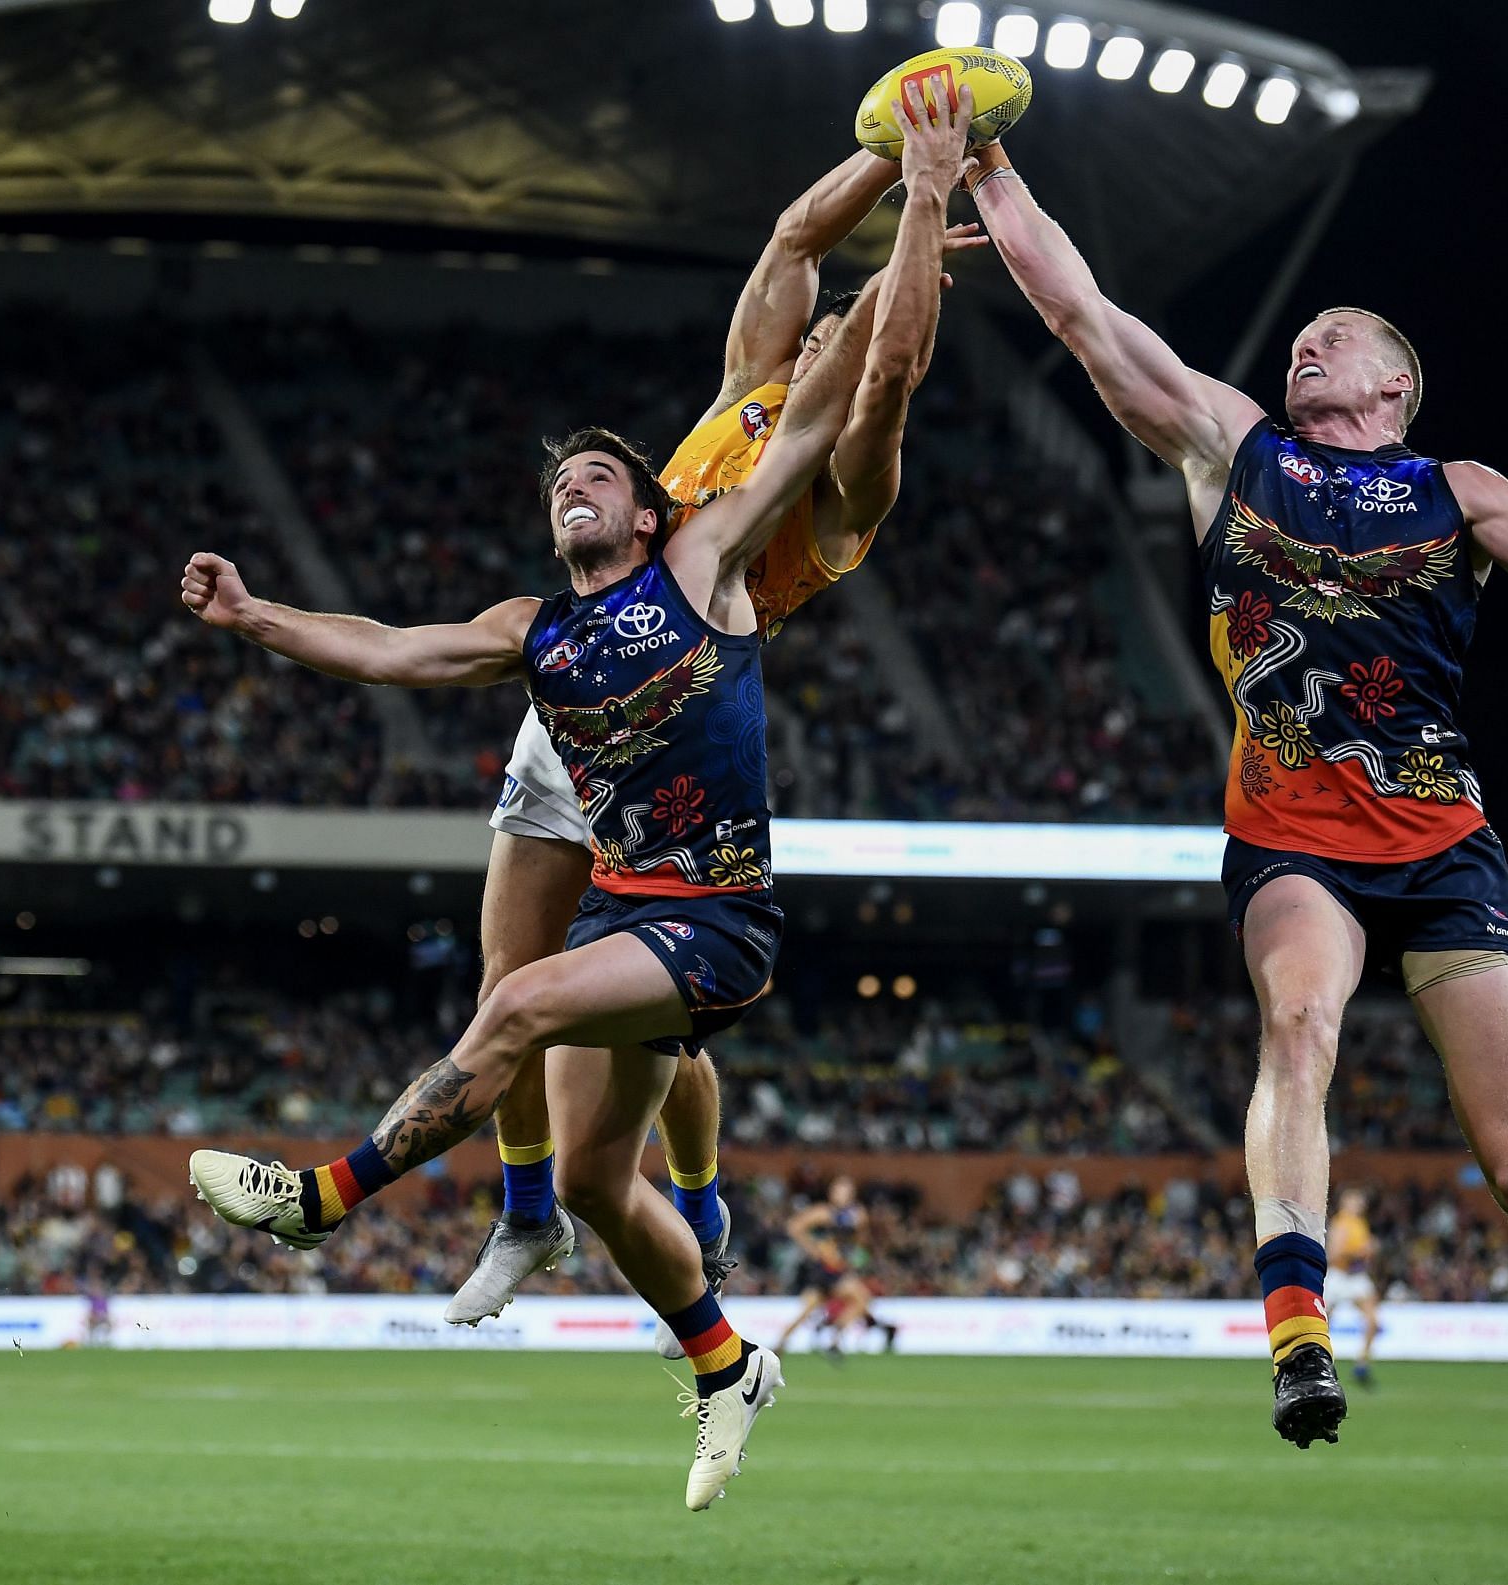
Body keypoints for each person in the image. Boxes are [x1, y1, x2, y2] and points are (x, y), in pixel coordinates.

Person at [182, 86, 974, 1512]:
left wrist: (922, 187)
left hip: (714, 910)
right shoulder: (541, 616)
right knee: (606, 1171)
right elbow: (386, 650)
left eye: (598, 472)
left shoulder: (726, 548)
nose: (578, 483)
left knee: (519, 1005)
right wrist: (254, 619)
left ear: (650, 505)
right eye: (566, 480)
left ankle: (324, 1202)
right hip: (623, 858)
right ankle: (725, 1360)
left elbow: (881, 370)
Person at [966, 139, 1508, 1577]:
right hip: (1292, 830)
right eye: (1305, 339)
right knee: (1299, 1022)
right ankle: (1297, 1334)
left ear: (1394, 389)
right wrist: (986, 166)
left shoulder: (1460, 488)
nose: (1309, 344)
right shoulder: (1236, 446)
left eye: (1334, 339)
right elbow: (1085, 316)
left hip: (1440, 844)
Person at [462, 140, 986, 1348]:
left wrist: (920, 218)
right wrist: (889, 152)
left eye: (845, 332)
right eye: (826, 325)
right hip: (570, 708)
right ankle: (528, 1211)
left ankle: (698, 1200)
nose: (824, 333)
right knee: (505, 983)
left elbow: (891, 366)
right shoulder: (739, 392)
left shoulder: (841, 485)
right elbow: (797, 239)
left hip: (674, 732)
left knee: (657, 1013)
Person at [773, 1175, 897, 1360]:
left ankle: (781, 1346)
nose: (842, 1194)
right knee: (860, 1299)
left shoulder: (856, 1214)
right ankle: (833, 1338)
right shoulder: (824, 1212)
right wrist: (814, 1248)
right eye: (839, 1190)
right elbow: (794, 1226)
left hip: (838, 1268)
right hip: (825, 1269)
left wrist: (855, 1250)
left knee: (811, 1310)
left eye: (846, 1190)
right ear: (832, 1193)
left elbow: (861, 1241)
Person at [1324, 1188, 1379, 1386]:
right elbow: (1335, 1254)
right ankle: (1310, 1360)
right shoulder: (1341, 1224)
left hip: (1356, 1276)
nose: (1360, 1204)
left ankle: (1362, 1364)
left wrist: (1369, 1252)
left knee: (1372, 1320)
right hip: (1339, 1276)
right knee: (1321, 1322)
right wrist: (1361, 1251)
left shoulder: (1360, 1224)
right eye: (1355, 1200)